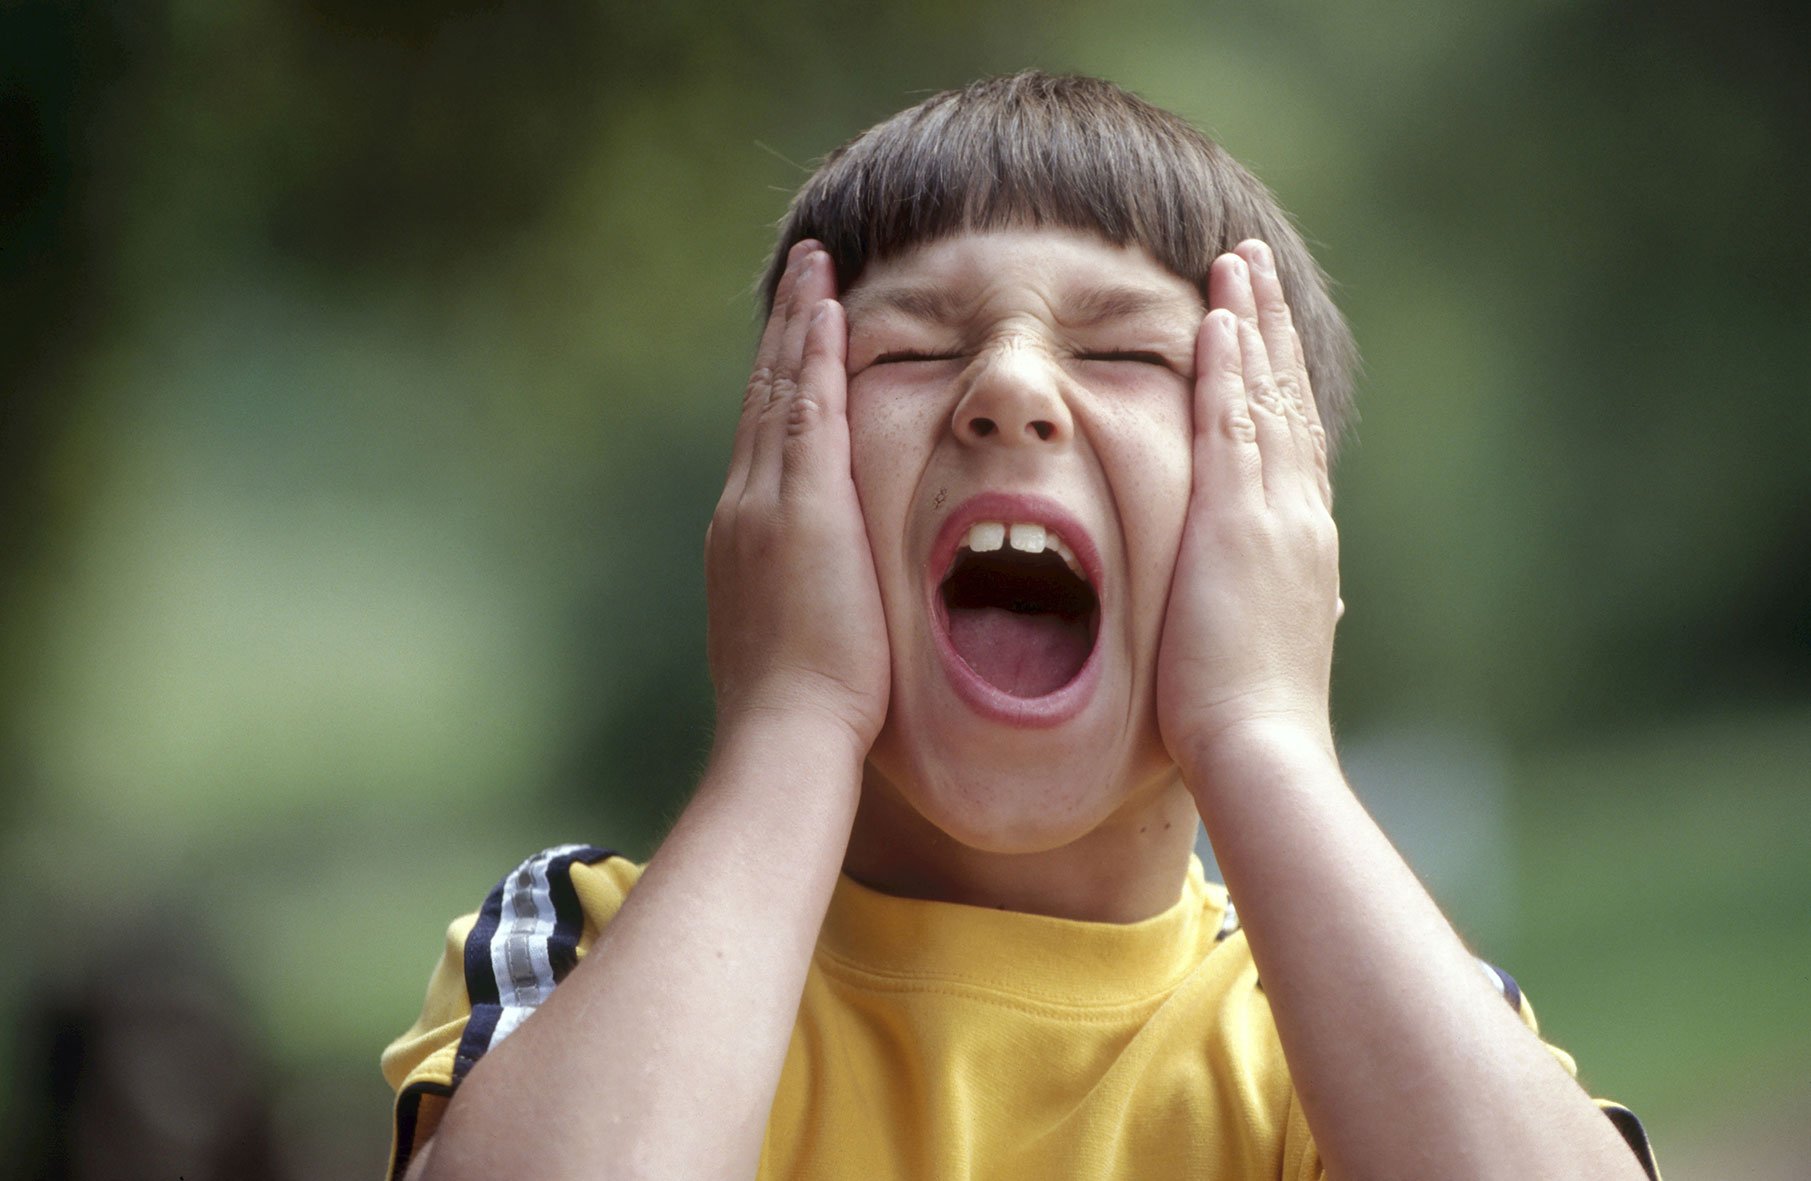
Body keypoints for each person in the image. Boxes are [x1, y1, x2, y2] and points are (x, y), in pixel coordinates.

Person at [380, 72, 1660, 1180]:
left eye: (1122, 355)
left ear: (1269, 528)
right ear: (783, 497)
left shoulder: (1350, 1025)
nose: (1006, 385)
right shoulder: (585, 939)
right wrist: (791, 714)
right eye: (910, 354)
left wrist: (1262, 728)